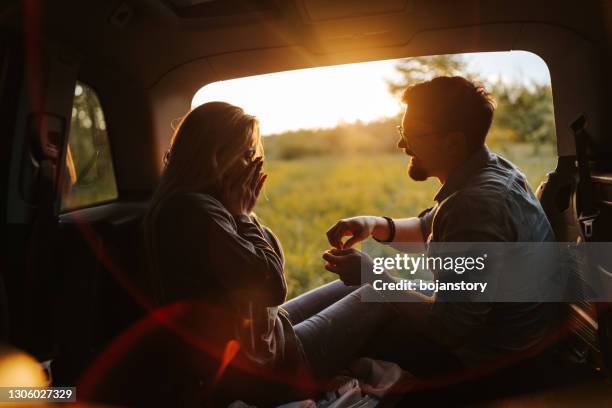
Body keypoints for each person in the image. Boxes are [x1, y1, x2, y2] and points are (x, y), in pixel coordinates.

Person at [143, 101, 395, 405]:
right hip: (264, 369)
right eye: (247, 154)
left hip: (261, 336)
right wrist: (244, 215)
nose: (255, 163)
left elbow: (266, 266)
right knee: (379, 290)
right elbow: (272, 286)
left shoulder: (194, 202)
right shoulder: (197, 211)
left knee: (357, 284)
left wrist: (240, 212)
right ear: (216, 156)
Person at [322, 76, 560, 379]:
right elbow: (427, 229)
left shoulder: (475, 205)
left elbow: (449, 328)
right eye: (402, 131)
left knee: (355, 327)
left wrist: (373, 276)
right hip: (496, 337)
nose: (401, 143)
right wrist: (374, 225)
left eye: (413, 134)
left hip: (494, 361)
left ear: (453, 142)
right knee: (357, 301)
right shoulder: (490, 169)